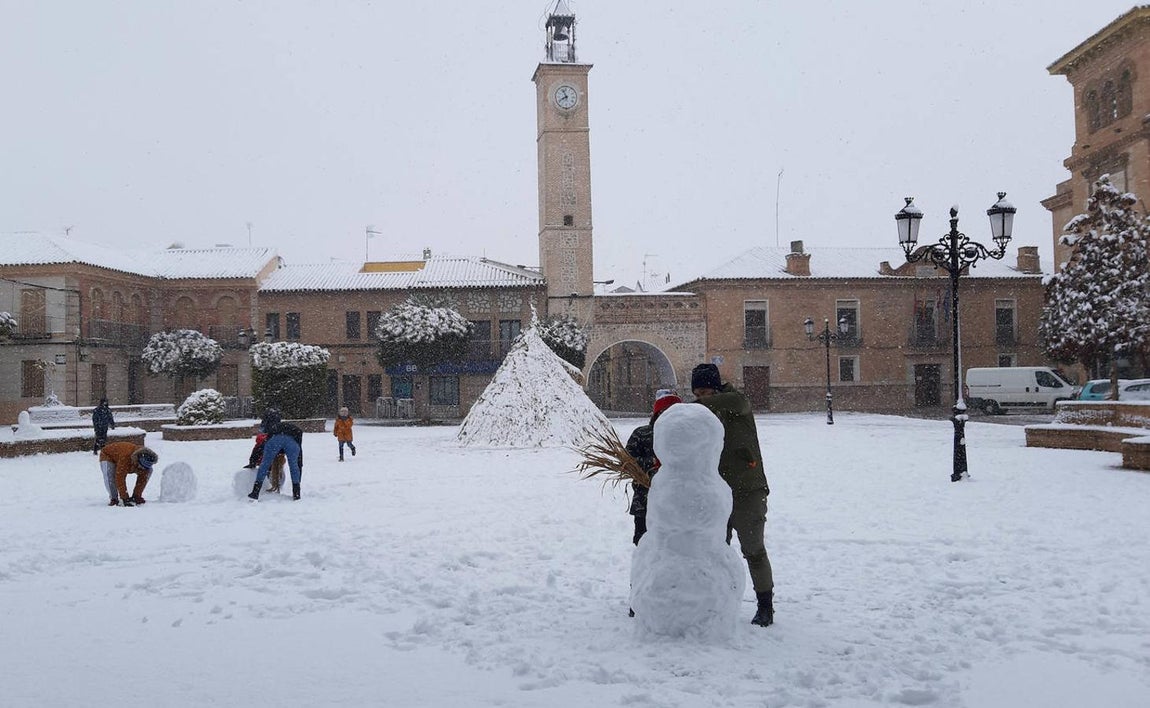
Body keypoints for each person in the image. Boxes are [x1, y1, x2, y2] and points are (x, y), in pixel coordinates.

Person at [691, 362, 774, 627]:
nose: (702, 398)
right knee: (716, 551)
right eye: (697, 394)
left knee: (754, 550)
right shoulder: (702, 413)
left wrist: (691, 407)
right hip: (717, 493)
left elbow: (734, 402)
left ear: (716, 388)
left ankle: (765, 605)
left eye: (706, 392)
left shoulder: (737, 402)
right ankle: (717, 602)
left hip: (748, 491)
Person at [626, 390, 682, 546]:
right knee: (645, 544)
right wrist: (653, 462)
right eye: (665, 412)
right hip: (645, 501)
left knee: (675, 546)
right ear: (657, 413)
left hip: (678, 502)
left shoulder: (685, 436)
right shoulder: (642, 434)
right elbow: (627, 462)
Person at [248, 407, 304, 501]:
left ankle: (255, 492)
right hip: (292, 439)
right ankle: (296, 494)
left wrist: (252, 462)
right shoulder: (296, 433)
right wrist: (298, 479)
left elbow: (260, 446)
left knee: (265, 464)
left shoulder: (271, 430)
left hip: (275, 437)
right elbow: (299, 459)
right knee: (294, 466)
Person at [99, 441, 158, 507]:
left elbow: (142, 479)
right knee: (110, 476)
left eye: (145, 468)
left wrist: (137, 496)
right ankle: (114, 498)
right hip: (108, 455)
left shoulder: (146, 462)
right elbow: (120, 478)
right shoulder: (126, 457)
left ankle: (135, 496)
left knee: (148, 472)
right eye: (141, 467)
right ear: (137, 460)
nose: (142, 469)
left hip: (123, 457)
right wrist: (124, 498)